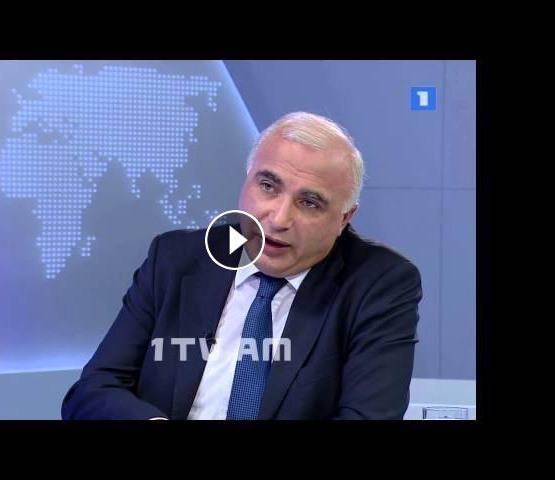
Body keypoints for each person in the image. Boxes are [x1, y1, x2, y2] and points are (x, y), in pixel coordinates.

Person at [61, 112, 422, 420]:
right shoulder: (177, 258)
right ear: (246, 181)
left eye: (310, 203)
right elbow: (94, 390)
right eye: (268, 186)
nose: (278, 219)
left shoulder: (378, 283)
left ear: (344, 218)